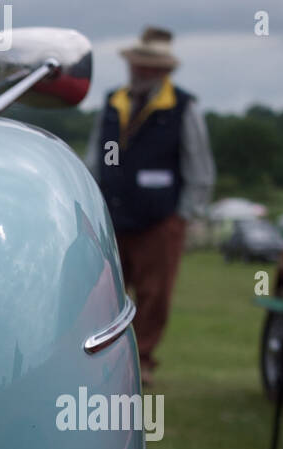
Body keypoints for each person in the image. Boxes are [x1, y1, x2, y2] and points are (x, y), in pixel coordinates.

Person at [84, 27, 215, 385]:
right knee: (105, 290)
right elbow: (97, 156)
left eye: (149, 66)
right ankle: (103, 357)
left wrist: (183, 217)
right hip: (112, 214)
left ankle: (139, 362)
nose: (140, 72)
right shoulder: (114, 102)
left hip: (161, 220)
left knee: (155, 296)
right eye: (138, 65)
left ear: (163, 71)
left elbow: (199, 167)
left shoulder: (183, 107)